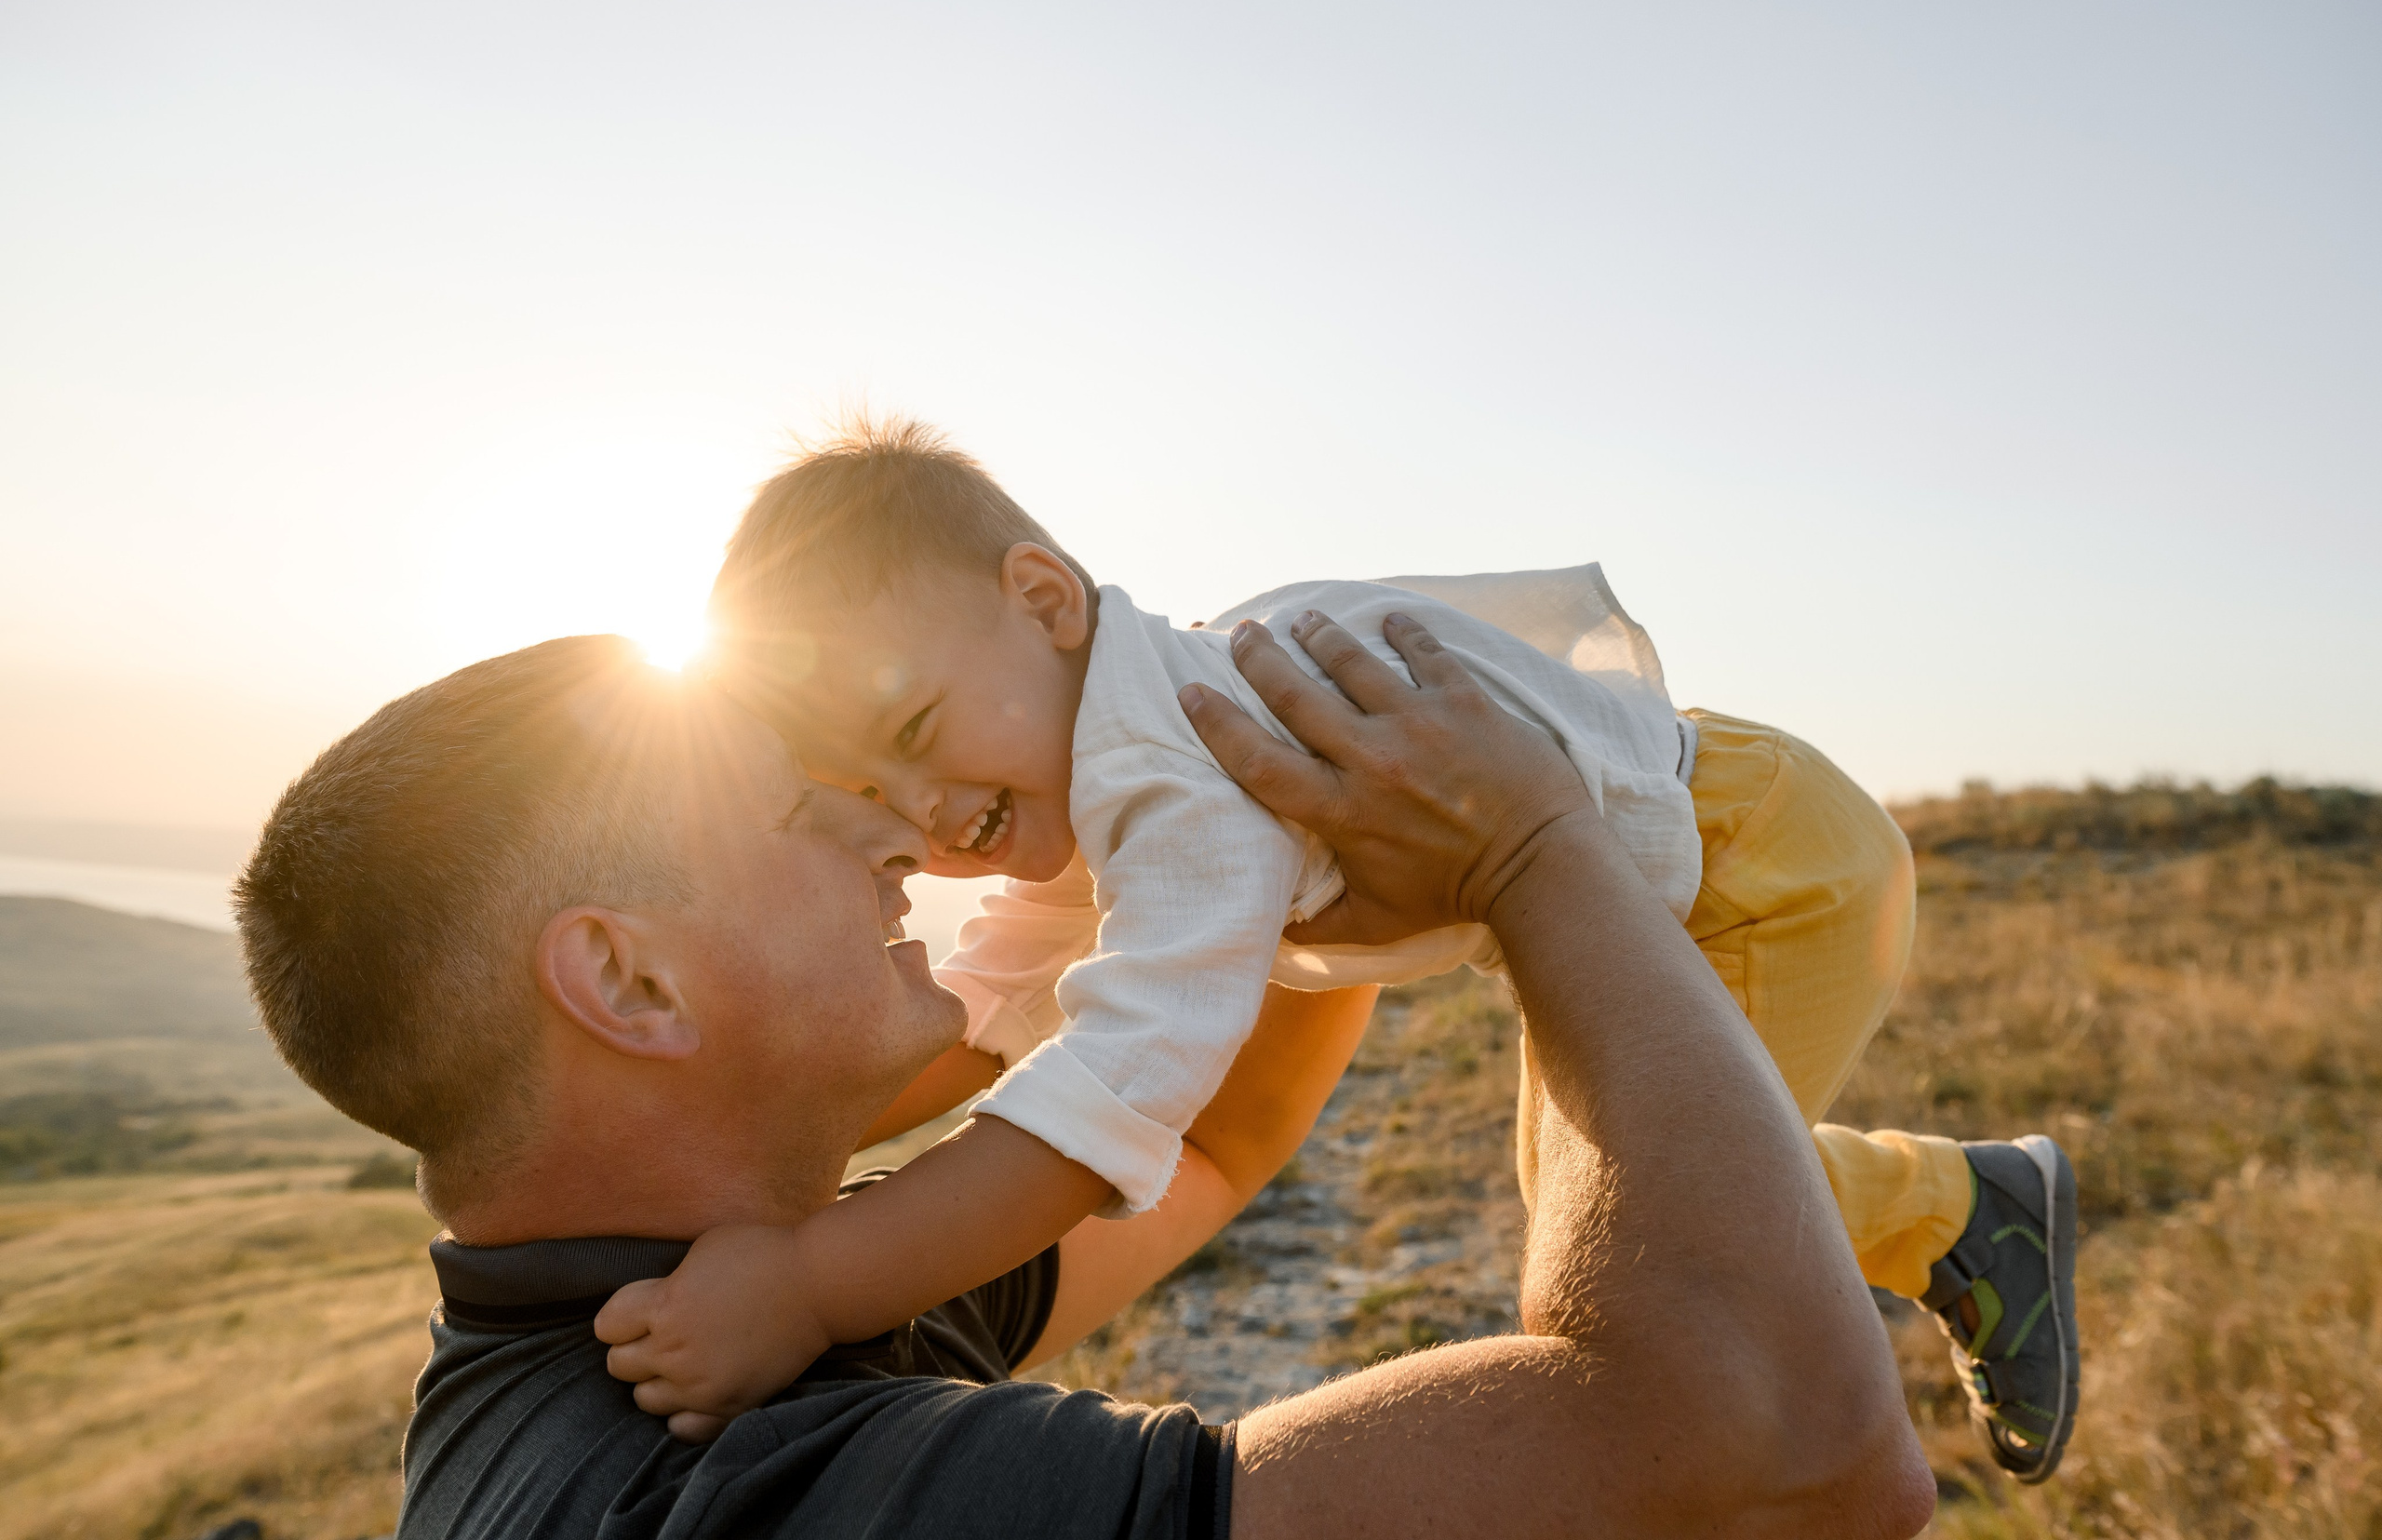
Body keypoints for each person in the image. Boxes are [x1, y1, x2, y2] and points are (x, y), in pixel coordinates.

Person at [234, 612, 1935, 1537]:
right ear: (628, 976)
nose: (900, 850)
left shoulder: (668, 1315)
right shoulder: (746, 1488)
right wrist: (1534, 849)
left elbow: (1219, 1142)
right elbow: (1784, 1447)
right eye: (805, 816)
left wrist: (1241, 831)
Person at [609, 420, 2078, 1480]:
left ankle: (1959, 1209)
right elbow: (997, 1001)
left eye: (919, 735)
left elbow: (1112, 1087)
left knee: (1652, 1248)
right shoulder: (1091, 759)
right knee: (1613, 1207)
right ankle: (1967, 1212)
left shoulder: (1171, 763)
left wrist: (811, 1281)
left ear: (1044, 599)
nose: (931, 816)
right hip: (1695, 871)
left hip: (1756, 870)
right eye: (876, 796)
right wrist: (758, 1151)